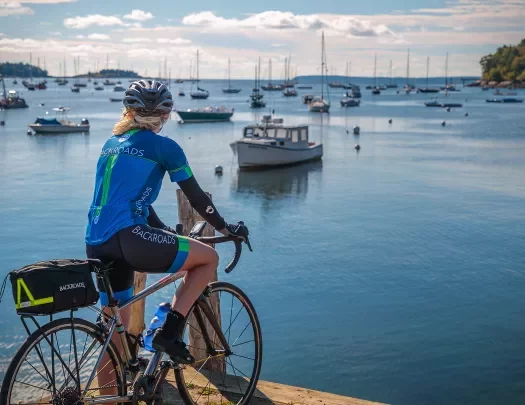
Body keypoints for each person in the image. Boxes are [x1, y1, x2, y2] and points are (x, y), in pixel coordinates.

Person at [85, 80, 249, 368]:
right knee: (207, 259)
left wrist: (161, 229)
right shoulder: (164, 147)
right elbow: (196, 197)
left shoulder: (110, 145)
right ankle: (168, 332)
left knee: (113, 337)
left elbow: (133, 201)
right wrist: (226, 228)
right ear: (164, 116)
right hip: (130, 239)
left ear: (129, 112)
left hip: (96, 241)